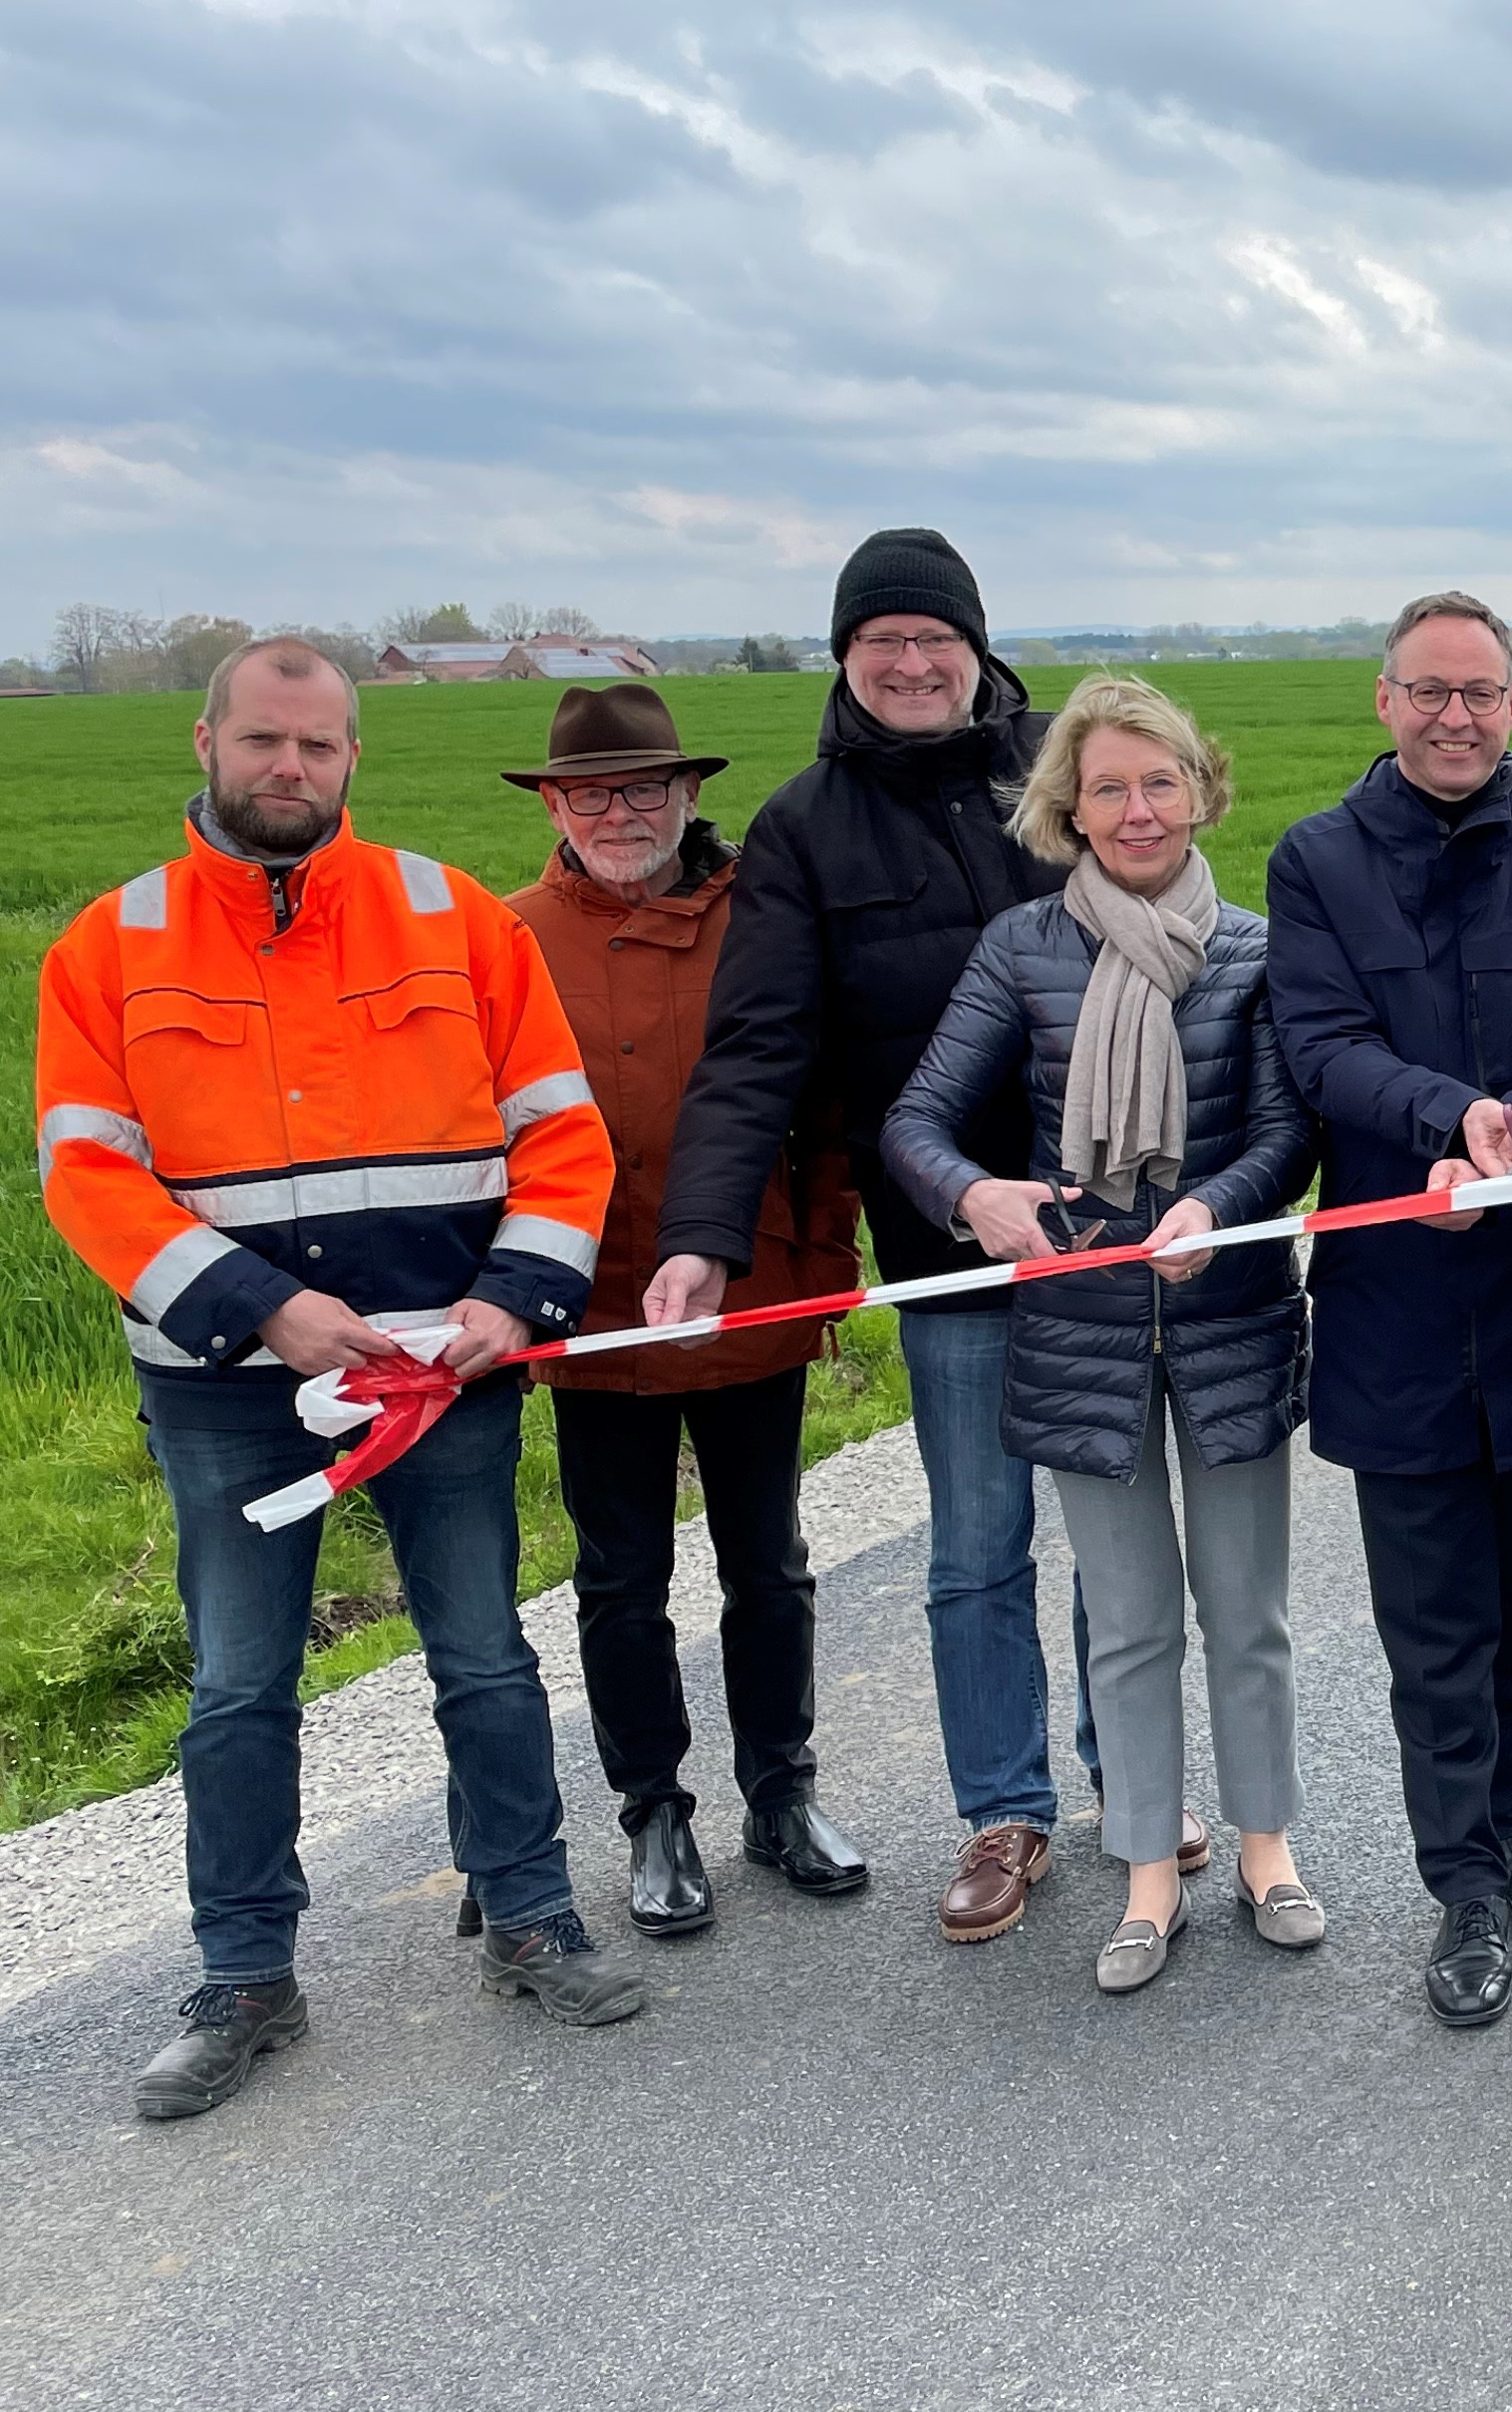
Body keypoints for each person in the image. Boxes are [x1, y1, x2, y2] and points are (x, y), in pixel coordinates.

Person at [39, 639, 639, 2119]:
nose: (288, 769)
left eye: (317, 745)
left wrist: (514, 1303)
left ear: (353, 756)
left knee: (485, 1656)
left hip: (441, 1377)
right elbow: (87, 1182)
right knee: (240, 1689)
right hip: (225, 1386)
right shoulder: (109, 946)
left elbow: (564, 1135)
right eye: (262, 742)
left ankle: (531, 1917)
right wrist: (265, 1311)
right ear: (206, 742)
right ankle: (246, 1975)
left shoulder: (456, 921)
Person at [651, 529, 1163, 1948]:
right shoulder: (805, 828)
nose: (913, 662)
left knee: (1115, 1535)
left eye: (935, 638)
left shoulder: (1068, 773)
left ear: (978, 647)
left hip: (1109, 1230)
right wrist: (704, 1235)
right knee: (977, 1545)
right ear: (847, 661)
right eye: (882, 642)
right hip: (946, 1245)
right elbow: (757, 1049)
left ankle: (1137, 1783)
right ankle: (1005, 1811)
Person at [881, 677, 1318, 1992]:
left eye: (1161, 781)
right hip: (1076, 1334)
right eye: (1110, 786)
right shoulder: (1021, 948)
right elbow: (918, 1122)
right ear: (1070, 805)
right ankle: (1143, 1874)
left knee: (1246, 1612)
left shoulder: (1251, 951)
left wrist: (1216, 1204)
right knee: (1127, 1621)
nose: (1138, 809)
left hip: (1231, 1319)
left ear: (1202, 790)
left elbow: (1290, 1133)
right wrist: (976, 1193)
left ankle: (1266, 1850)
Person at [1263, 590, 1512, 2029]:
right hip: (1399, 1306)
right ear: (1385, 701)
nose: (1455, 717)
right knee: (1437, 1627)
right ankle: (1462, 1887)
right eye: (1429, 692)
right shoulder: (1319, 863)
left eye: (1480, 692)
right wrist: (1454, 1117)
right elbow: (1323, 1044)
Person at [504, 685, 870, 1939]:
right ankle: (654, 1810)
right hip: (589, 1308)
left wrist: (819, 1264)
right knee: (620, 1576)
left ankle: (782, 1792)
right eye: (593, 792)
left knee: (768, 1565)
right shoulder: (506, 938)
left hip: (750, 1295)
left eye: (645, 788)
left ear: (689, 795)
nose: (621, 812)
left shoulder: (757, 920)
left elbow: (823, 1108)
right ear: (553, 804)